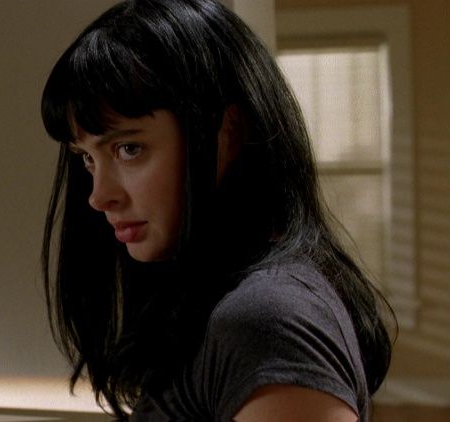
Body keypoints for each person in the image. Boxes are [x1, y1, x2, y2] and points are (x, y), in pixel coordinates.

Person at [40, 0, 396, 420]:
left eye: (129, 148)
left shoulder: (267, 319)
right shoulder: (226, 305)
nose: (99, 196)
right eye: (87, 158)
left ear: (229, 132)